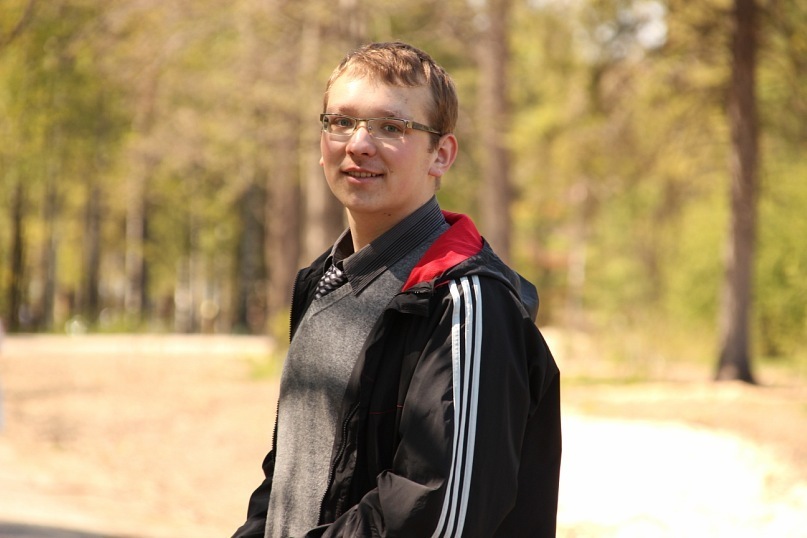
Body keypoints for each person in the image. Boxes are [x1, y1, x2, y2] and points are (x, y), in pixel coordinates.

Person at [233, 41, 561, 538]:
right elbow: (289, 472)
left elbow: (438, 513)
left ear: (441, 155)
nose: (359, 144)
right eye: (342, 121)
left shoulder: (466, 304)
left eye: (392, 127)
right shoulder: (324, 282)